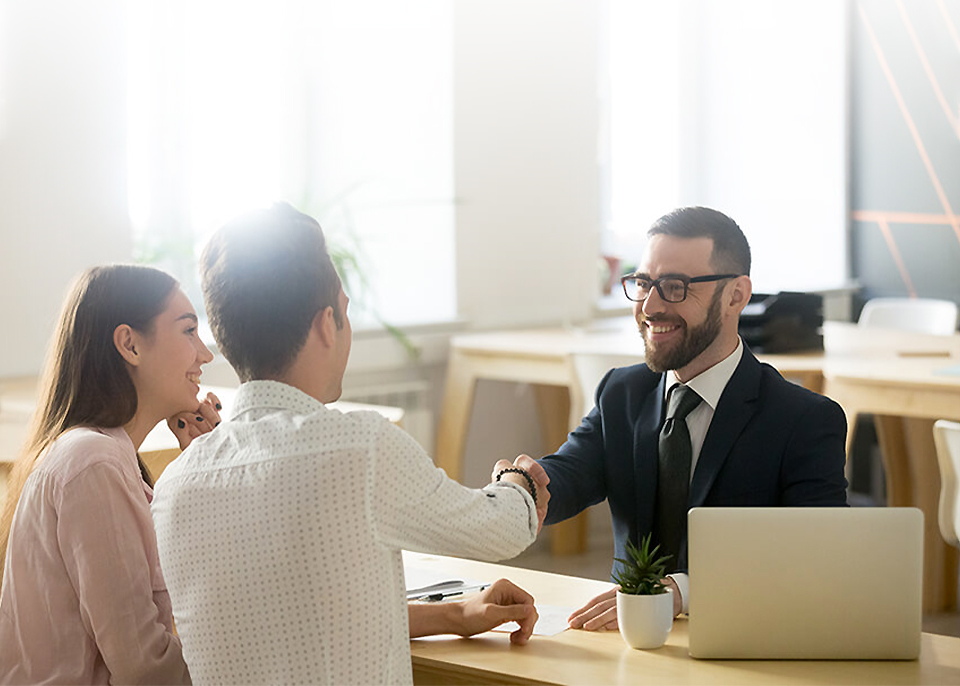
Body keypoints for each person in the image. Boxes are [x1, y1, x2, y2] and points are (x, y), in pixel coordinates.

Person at [150, 203, 549, 685]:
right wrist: (519, 482)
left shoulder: (173, 487)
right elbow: (501, 531)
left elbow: (295, 618)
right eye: (345, 312)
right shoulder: (361, 447)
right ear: (325, 323)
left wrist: (453, 614)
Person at [536, 206, 848, 631]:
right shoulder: (622, 392)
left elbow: (817, 556)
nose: (650, 306)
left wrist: (681, 592)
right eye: (644, 283)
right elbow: (570, 473)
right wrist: (521, 484)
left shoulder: (805, 421)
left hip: (744, 639)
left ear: (736, 295)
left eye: (675, 287)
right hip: (626, 642)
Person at [0, 265, 222, 684]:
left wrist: (202, 477)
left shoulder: (103, 458)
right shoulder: (93, 463)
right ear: (129, 345)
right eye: (189, 330)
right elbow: (144, 667)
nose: (205, 354)